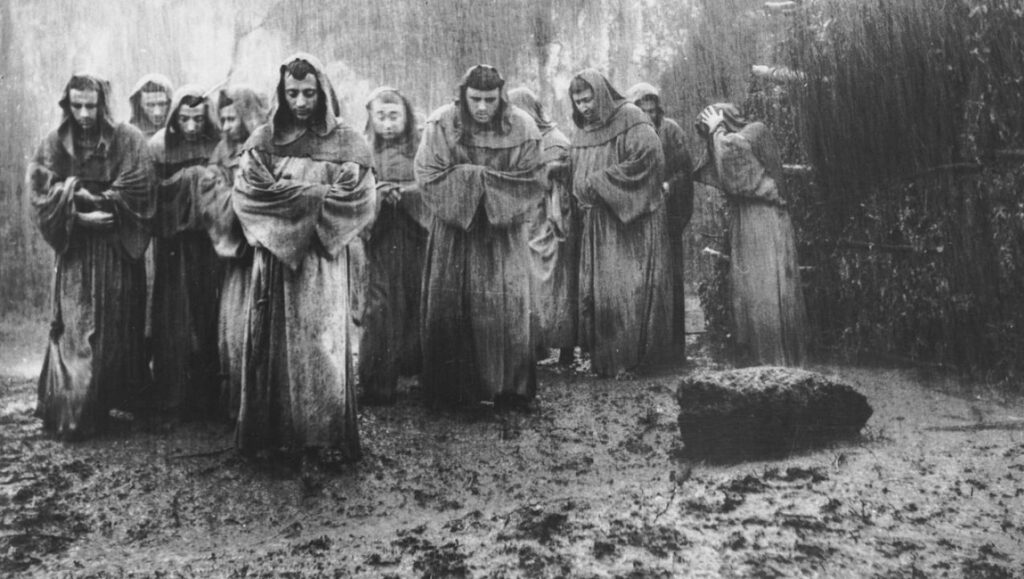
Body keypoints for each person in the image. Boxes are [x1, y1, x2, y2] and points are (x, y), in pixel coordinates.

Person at [234, 53, 376, 462]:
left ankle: (322, 437)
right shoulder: (263, 140)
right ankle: (277, 436)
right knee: (273, 347)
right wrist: (314, 198)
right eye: (292, 93)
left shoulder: (348, 142)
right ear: (281, 93)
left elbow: (356, 197)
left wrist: (290, 200)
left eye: (309, 93)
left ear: (323, 93)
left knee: (321, 346)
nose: (300, 102)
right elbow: (250, 195)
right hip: (277, 261)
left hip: (321, 263)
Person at [28, 73, 155, 439]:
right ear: (66, 105)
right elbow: (40, 196)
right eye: (76, 105)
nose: (84, 114)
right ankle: (75, 412)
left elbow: (142, 186)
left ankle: (107, 404)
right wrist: (80, 215)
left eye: (91, 106)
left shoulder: (128, 139)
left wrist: (100, 200)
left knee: (114, 331)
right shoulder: (54, 144)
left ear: (103, 105)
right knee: (79, 331)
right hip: (77, 254)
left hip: (116, 251)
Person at [414, 65, 544, 408]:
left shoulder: (523, 127)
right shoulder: (441, 124)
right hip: (455, 232)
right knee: (452, 306)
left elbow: (532, 180)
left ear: (501, 96)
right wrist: (482, 183)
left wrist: (476, 183)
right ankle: (454, 390)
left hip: (503, 233)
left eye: (490, 99)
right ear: (463, 96)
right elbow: (428, 176)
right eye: (475, 99)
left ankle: (509, 388)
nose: (483, 107)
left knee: (507, 307)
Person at [568, 69, 672, 378]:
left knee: (629, 291)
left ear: (601, 94)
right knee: (605, 294)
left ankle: (633, 360)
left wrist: (601, 182)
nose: (584, 107)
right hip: (598, 224)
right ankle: (608, 361)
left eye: (588, 99)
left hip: (630, 223)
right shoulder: (583, 129)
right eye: (578, 101)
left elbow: (650, 160)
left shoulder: (631, 118)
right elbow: (578, 169)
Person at [694, 103, 807, 366]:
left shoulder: (754, 132)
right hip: (748, 220)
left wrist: (717, 130)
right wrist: (715, 135)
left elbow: (733, 163)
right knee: (751, 291)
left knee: (765, 288)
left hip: (764, 219)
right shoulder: (735, 138)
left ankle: (775, 358)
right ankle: (760, 356)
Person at [148, 85, 222, 421]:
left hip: (209, 245)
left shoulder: (217, 146)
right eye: (184, 119)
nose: (191, 126)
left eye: (198, 118)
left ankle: (207, 397)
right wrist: (189, 180)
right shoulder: (158, 147)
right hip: (174, 248)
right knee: (174, 318)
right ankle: (171, 396)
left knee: (208, 314)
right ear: (174, 118)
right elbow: (151, 195)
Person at [358, 87, 429, 405]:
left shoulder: (420, 149)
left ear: (407, 117)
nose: (387, 124)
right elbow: (356, 188)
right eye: (381, 117)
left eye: (394, 117)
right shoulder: (364, 151)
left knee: (417, 301)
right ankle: (378, 383)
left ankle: (416, 372)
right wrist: (378, 194)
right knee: (380, 307)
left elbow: (430, 184)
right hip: (381, 239)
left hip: (415, 235)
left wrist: (408, 193)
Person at [204, 85, 269, 421]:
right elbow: (214, 202)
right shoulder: (221, 153)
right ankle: (240, 406)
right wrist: (242, 198)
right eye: (224, 119)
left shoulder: (268, 148)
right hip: (240, 259)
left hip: (269, 255)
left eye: (233, 118)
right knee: (236, 331)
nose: (227, 126)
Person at [507, 86, 576, 365]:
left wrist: (552, 172)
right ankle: (536, 345)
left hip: (551, 222)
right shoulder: (519, 140)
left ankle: (565, 346)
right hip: (527, 222)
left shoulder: (554, 141)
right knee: (530, 288)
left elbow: (562, 179)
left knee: (555, 285)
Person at [627, 82, 694, 353]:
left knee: (671, 279)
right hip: (639, 219)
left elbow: (685, 171)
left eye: (652, 110)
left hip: (668, 217)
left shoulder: (671, 131)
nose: (648, 115)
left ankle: (674, 347)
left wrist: (669, 186)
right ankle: (644, 345)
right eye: (642, 110)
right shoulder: (628, 135)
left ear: (658, 110)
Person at [128, 74, 174, 139]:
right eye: (150, 105)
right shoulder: (130, 137)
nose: (157, 113)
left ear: (170, 104)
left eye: (162, 104)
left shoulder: (180, 133)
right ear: (140, 105)